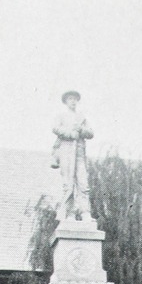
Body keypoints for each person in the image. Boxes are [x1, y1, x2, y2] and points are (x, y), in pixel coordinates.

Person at [51, 90, 94, 221]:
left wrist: (81, 130)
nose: (73, 101)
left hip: (79, 152)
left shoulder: (82, 117)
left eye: (75, 99)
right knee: (68, 183)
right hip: (66, 150)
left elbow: (91, 133)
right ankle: (69, 213)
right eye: (70, 99)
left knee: (83, 183)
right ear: (66, 101)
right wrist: (70, 134)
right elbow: (55, 128)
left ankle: (85, 212)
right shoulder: (61, 116)